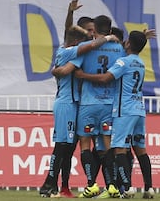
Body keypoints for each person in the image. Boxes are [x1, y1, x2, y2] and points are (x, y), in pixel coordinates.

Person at [75, 30, 154, 199]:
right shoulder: (140, 62)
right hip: (139, 109)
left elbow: (105, 79)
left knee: (119, 148)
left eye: (127, 41)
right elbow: (133, 45)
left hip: (124, 109)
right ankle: (149, 188)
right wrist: (142, 38)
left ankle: (126, 187)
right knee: (140, 149)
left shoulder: (123, 62)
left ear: (128, 44)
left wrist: (83, 75)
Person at [39, 25, 117, 198]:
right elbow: (66, 69)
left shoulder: (62, 49)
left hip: (70, 103)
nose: (86, 42)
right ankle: (48, 185)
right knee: (61, 146)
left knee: (64, 147)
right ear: (76, 42)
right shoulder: (75, 54)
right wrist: (109, 38)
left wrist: (69, 12)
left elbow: (61, 69)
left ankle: (53, 185)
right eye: (82, 40)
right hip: (67, 104)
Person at [69, 14, 126, 198]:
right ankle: (111, 186)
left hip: (88, 103)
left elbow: (74, 69)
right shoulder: (119, 49)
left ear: (94, 29)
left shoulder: (84, 48)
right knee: (107, 146)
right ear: (110, 30)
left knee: (85, 144)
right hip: (109, 104)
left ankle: (91, 184)